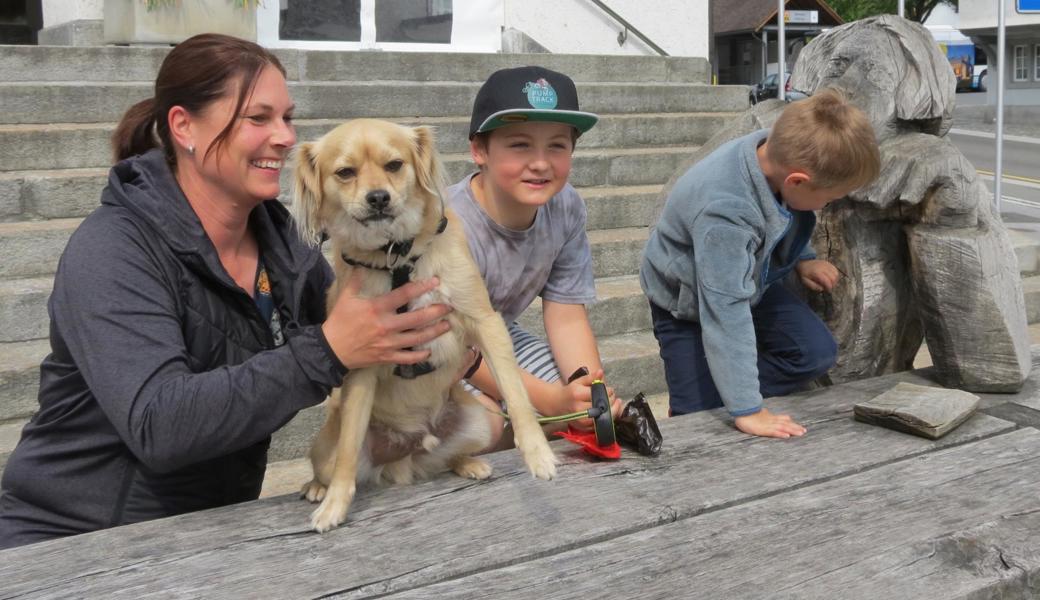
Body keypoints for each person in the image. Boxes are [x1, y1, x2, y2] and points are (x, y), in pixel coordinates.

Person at [0, 34, 455, 549]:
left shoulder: (280, 239)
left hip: (206, 528)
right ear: (183, 126)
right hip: (72, 539)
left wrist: (461, 353)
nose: (284, 137)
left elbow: (373, 332)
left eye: (287, 117)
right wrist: (326, 352)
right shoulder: (112, 250)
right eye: (258, 119)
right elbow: (159, 424)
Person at [640, 88, 880, 439]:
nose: (826, 206)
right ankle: (711, 399)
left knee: (814, 353)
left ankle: (724, 388)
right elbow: (725, 311)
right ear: (797, 180)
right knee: (696, 417)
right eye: (828, 199)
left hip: (752, 277)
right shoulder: (726, 212)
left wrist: (803, 259)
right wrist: (748, 410)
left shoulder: (771, 150)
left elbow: (782, 213)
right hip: (686, 303)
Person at [446, 65, 621, 449]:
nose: (540, 163)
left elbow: (567, 313)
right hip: (430, 348)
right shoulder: (447, 224)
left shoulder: (566, 206)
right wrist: (550, 402)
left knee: (572, 403)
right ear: (479, 150)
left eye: (556, 145)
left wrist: (585, 391)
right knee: (483, 428)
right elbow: (457, 351)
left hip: (496, 335)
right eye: (520, 145)